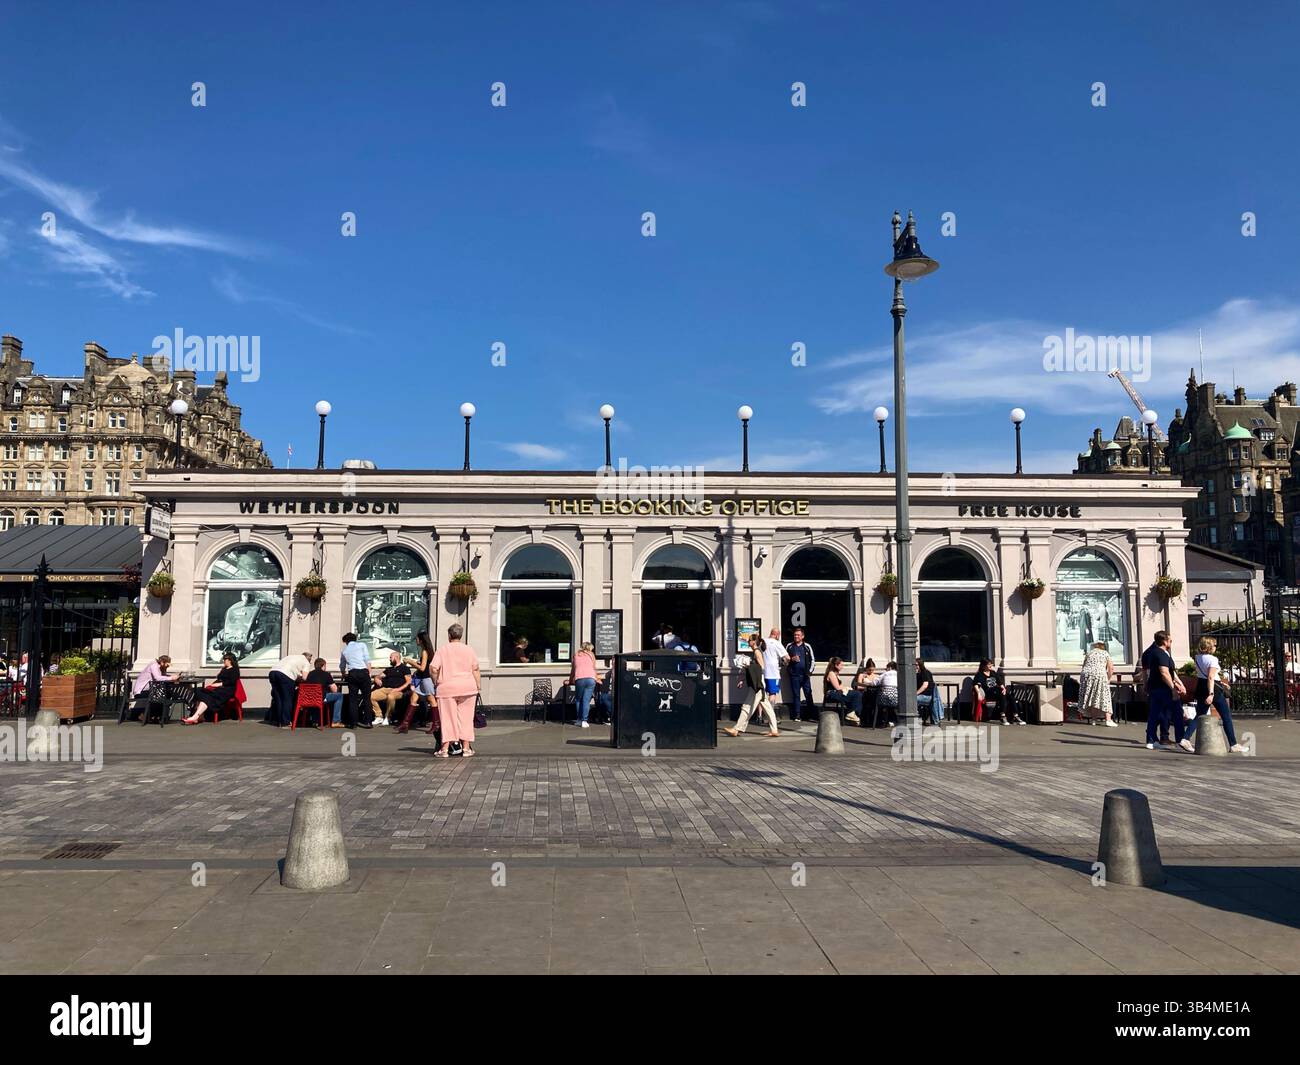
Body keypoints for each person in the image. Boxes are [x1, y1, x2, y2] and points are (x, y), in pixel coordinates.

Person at [1185, 636, 1248, 754]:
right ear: (1209, 647)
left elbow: (1205, 676)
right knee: (1226, 716)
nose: (1215, 647)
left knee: (1199, 715)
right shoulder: (1213, 659)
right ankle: (1233, 744)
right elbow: (1211, 677)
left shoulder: (1198, 657)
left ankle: (1185, 738)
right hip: (1212, 688)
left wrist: (1222, 685)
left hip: (1201, 686)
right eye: (1214, 645)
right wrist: (1211, 693)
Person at [430, 623, 481, 757]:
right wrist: (478, 685)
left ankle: (445, 749)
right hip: (468, 687)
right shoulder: (469, 649)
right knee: (466, 718)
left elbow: (433, 668)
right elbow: (475, 669)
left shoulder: (442, 650)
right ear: (461, 635)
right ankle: (466, 749)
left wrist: (436, 681)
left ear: (449, 635)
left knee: (447, 719)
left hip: (447, 688)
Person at [724, 635, 779, 737]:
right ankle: (774, 730)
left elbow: (761, 667)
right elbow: (756, 669)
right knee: (767, 707)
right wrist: (744, 678)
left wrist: (748, 664)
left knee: (747, 706)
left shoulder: (757, 652)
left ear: (754, 642)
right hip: (758, 683)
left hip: (757, 684)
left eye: (749, 640)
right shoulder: (756, 652)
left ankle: (736, 729)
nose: (748, 642)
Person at [1141, 630, 1185, 750]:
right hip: (1164, 688)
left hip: (1153, 688)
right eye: (1170, 640)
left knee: (1154, 714)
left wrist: (1180, 683)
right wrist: (1173, 689)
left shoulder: (1149, 653)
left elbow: (1169, 672)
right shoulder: (1161, 654)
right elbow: (1165, 673)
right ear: (1165, 641)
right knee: (1177, 713)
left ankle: (1151, 740)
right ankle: (1180, 740)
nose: (1171, 642)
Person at [398, 630, 438, 735]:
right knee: (413, 698)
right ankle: (405, 724)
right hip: (423, 679)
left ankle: (436, 724)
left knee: (431, 700)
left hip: (426, 679)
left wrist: (411, 662)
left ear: (421, 640)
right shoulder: (427, 651)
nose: (416, 640)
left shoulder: (424, 652)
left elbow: (422, 667)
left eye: (417, 638)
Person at [182, 653, 240, 724]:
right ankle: (198, 715)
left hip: (227, 690)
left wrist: (219, 684)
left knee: (208, 696)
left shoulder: (234, 670)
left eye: (225, 659)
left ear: (230, 660)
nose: (224, 661)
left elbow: (232, 681)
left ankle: (196, 717)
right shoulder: (224, 669)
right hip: (219, 688)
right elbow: (219, 679)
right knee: (198, 690)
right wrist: (213, 685)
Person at [129, 655, 183, 721]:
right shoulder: (154, 665)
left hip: (150, 691)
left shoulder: (160, 668)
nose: (167, 667)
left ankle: (156, 716)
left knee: (167, 694)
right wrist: (171, 678)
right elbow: (158, 678)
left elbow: (162, 676)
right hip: (141, 691)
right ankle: (146, 715)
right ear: (162, 662)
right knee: (161, 696)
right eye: (167, 665)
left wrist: (172, 676)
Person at [973, 658, 1023, 724]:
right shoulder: (979, 674)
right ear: (983, 666)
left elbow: (1000, 683)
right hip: (989, 692)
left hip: (998, 691)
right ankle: (1003, 717)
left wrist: (1004, 689)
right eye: (989, 664)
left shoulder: (993, 673)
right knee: (1003, 695)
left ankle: (1015, 716)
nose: (991, 665)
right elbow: (976, 685)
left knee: (1010, 697)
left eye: (991, 664)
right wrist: (978, 693)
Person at [269, 651, 312, 727]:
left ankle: (278, 721)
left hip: (273, 672)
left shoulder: (292, 656)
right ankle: (286, 722)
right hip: (286, 675)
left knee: (278, 698)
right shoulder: (306, 662)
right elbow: (305, 678)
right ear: (309, 659)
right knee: (287, 699)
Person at [1079, 641, 1117, 726]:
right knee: (1105, 696)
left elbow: (1084, 666)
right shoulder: (1105, 653)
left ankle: (1093, 720)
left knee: (1093, 697)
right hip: (1099, 675)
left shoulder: (1089, 653)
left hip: (1086, 675)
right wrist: (1108, 679)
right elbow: (1111, 668)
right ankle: (1108, 720)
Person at [369, 650, 412, 726]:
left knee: (391, 697)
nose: (389, 659)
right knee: (370, 696)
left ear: (396, 657)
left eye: (391, 657)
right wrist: (376, 679)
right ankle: (379, 716)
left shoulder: (404, 668)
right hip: (385, 689)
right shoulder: (389, 669)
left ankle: (388, 717)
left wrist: (399, 689)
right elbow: (378, 676)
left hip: (398, 690)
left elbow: (408, 681)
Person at [339, 632, 373, 729]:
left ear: (346, 641)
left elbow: (342, 665)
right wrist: (369, 672)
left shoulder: (344, 650)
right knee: (367, 698)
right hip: (363, 672)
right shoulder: (362, 645)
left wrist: (343, 674)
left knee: (352, 699)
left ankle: (353, 723)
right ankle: (368, 722)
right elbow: (367, 659)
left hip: (352, 673)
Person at [301, 657, 347, 727]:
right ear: (323, 666)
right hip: (321, 699)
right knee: (339, 696)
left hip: (309, 698)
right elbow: (334, 690)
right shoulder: (326, 674)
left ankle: (315, 721)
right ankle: (336, 721)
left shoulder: (309, 674)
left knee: (316, 697)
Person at [784, 627, 815, 724]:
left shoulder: (807, 646)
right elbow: (784, 660)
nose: (796, 636)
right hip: (794, 675)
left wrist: (809, 672)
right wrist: (791, 659)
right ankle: (797, 715)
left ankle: (811, 715)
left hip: (805, 675)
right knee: (796, 695)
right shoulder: (789, 646)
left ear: (802, 636)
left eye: (798, 635)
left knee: (808, 694)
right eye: (795, 635)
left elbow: (813, 660)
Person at [570, 641, 598, 728]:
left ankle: (579, 720)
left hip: (580, 678)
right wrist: (596, 678)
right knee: (586, 700)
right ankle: (584, 721)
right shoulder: (591, 655)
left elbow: (573, 669)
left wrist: (571, 679)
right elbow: (593, 668)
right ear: (589, 648)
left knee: (578, 699)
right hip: (591, 679)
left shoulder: (576, 655)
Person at [822, 657, 852, 721]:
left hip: (837, 692)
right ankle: (851, 713)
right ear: (836, 665)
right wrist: (846, 688)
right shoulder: (831, 673)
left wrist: (847, 688)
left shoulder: (836, 674)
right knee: (856, 694)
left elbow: (840, 686)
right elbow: (837, 687)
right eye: (841, 665)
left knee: (855, 694)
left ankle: (852, 713)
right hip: (832, 693)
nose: (842, 667)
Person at [915, 658, 943, 726]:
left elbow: (925, 685)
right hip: (923, 695)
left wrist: (915, 694)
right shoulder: (918, 673)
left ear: (920, 665)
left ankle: (917, 719)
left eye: (916, 665)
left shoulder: (925, 672)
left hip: (927, 696)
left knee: (912, 701)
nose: (915, 666)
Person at [878, 660, 900, 725]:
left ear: (890, 667)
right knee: (891, 704)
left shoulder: (885, 674)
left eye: (886, 668)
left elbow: (875, 682)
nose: (886, 669)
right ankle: (893, 720)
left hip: (883, 700)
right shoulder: (900, 674)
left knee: (878, 701)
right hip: (896, 700)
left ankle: (880, 721)